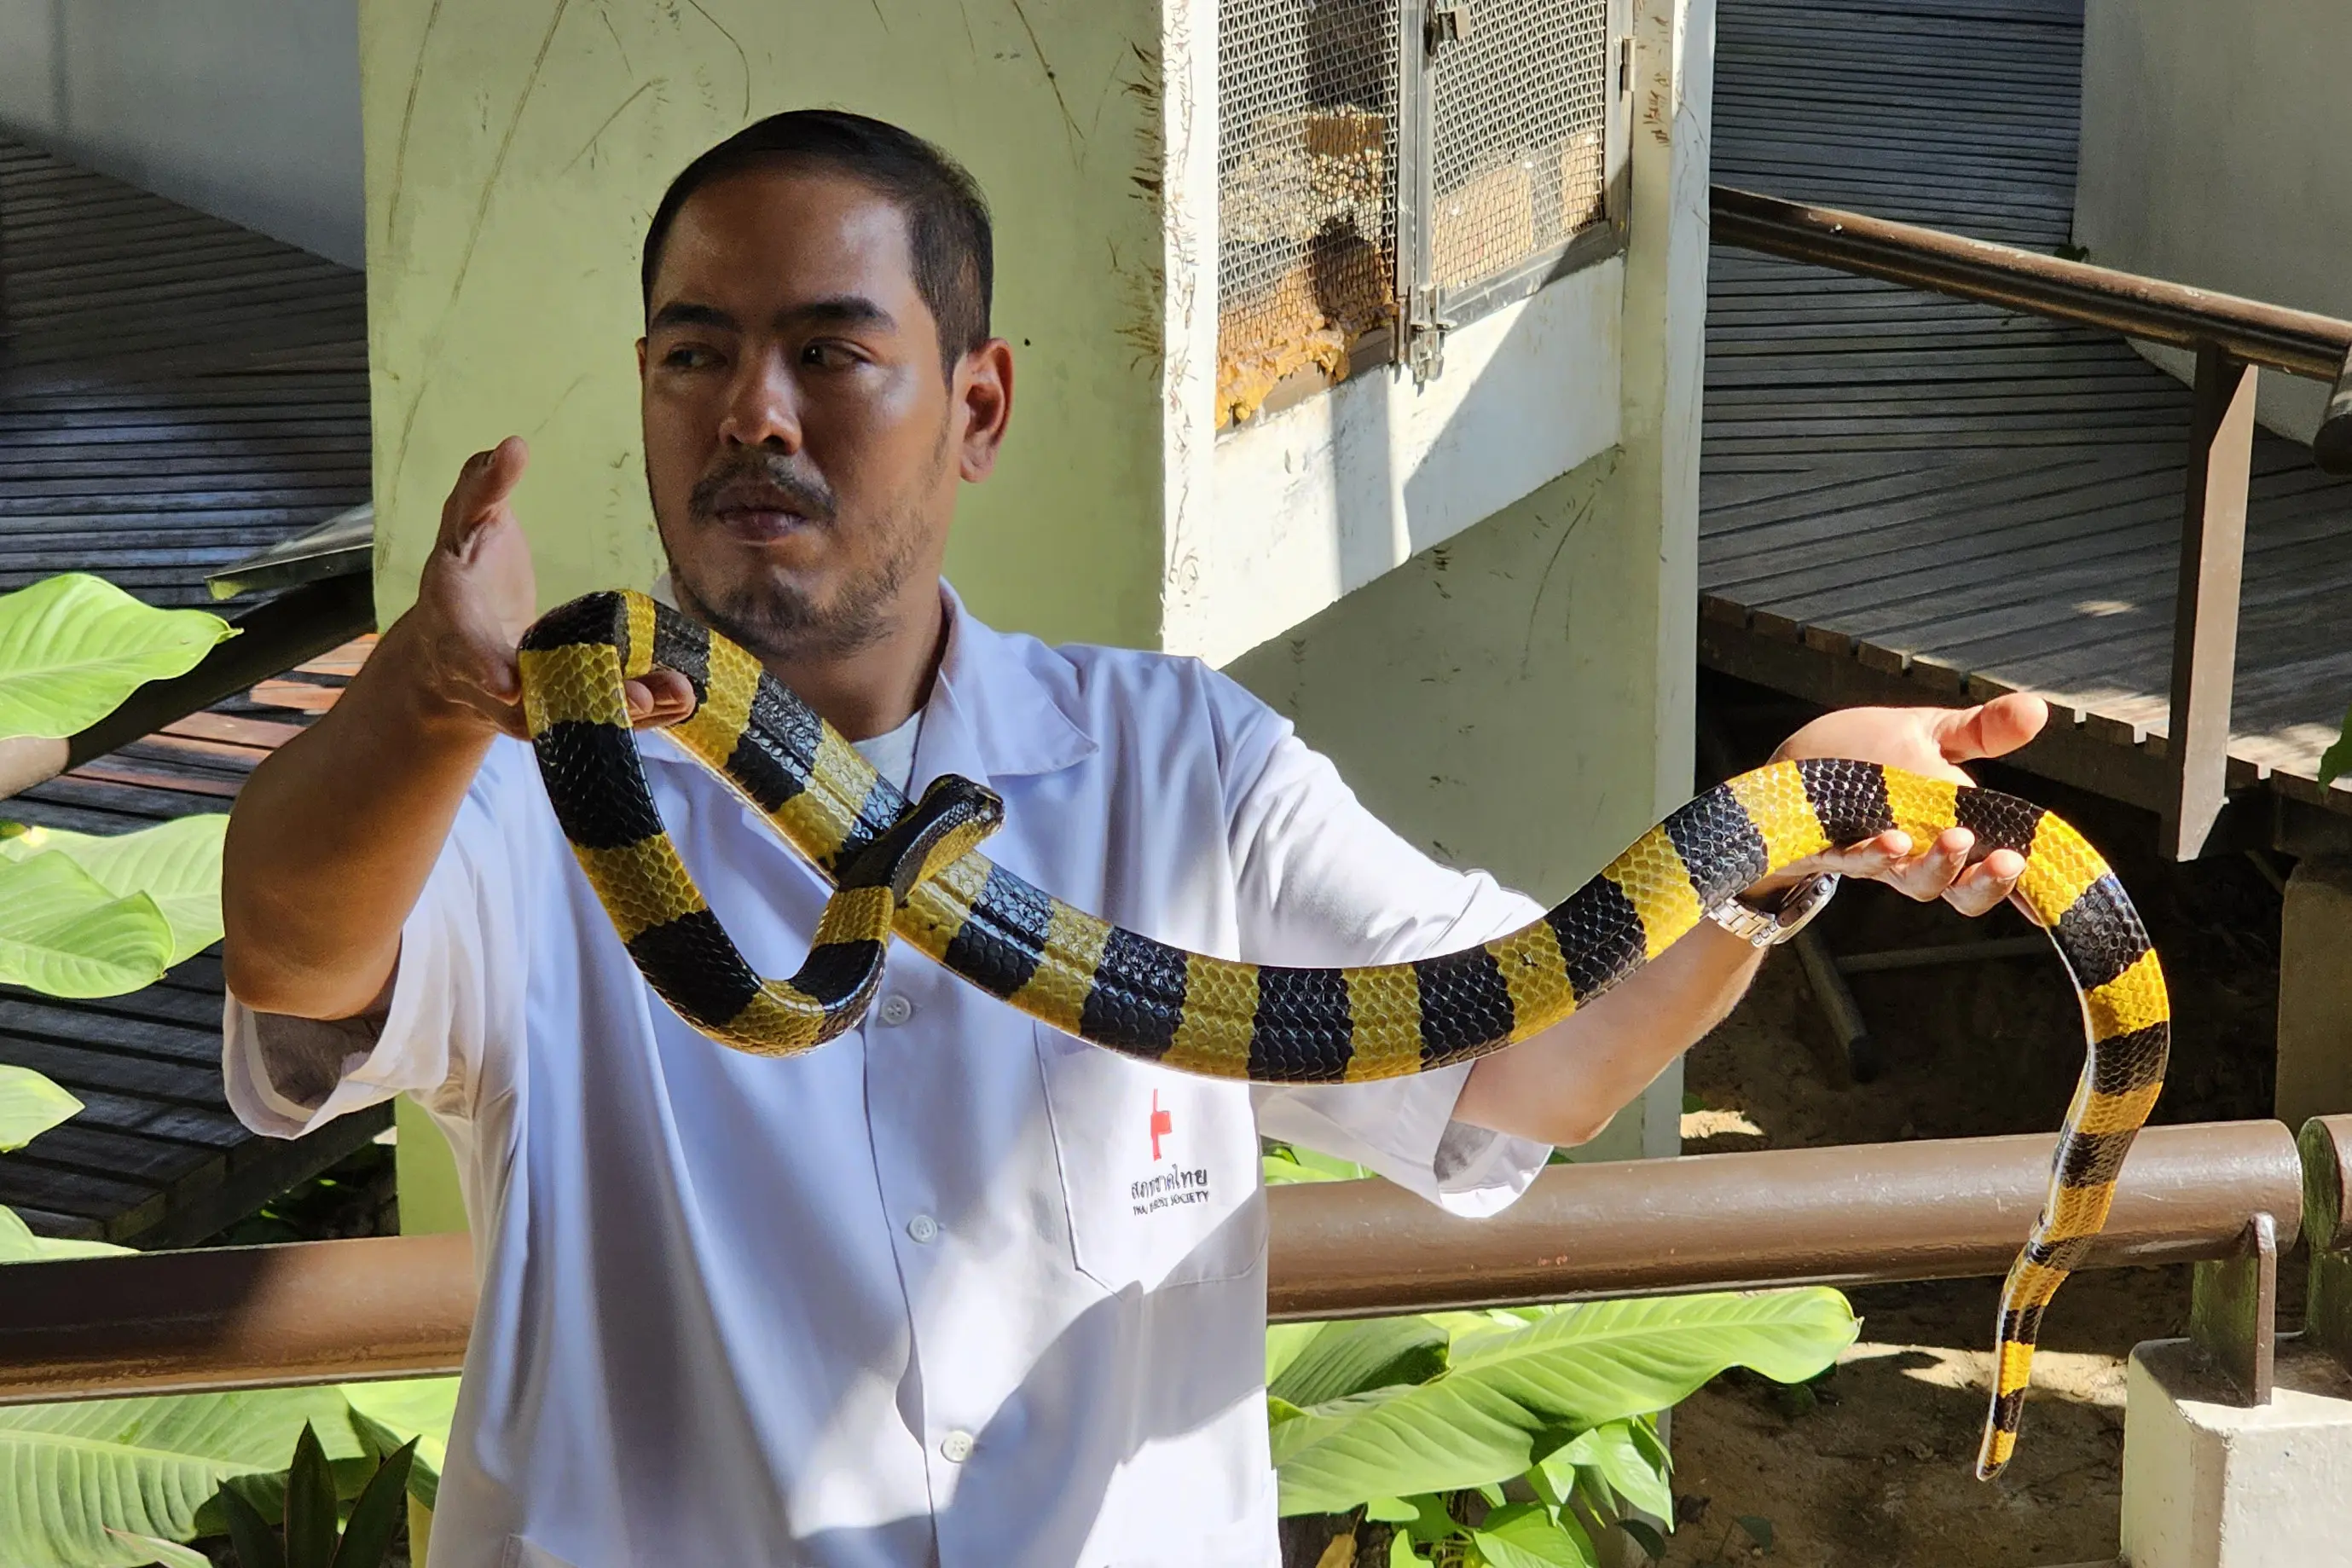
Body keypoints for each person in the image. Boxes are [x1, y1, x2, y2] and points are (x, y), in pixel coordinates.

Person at [220, 110, 2044, 1567]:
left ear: (977, 406)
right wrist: (426, 699)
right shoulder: (536, 785)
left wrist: (1780, 823)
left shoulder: (1181, 762)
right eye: (696, 354)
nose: (752, 411)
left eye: (829, 352)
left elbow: (1525, 1055)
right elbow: (295, 968)